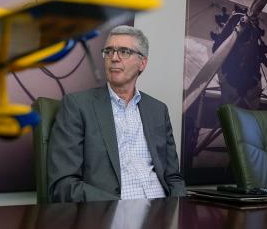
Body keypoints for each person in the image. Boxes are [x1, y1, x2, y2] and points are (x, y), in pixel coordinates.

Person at [47, 25, 185, 202]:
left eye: (124, 51)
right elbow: (63, 184)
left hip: (163, 213)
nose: (114, 58)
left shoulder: (158, 110)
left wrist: (179, 212)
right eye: (109, 51)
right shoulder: (77, 106)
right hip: (110, 216)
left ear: (142, 63)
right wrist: (117, 208)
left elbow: (173, 177)